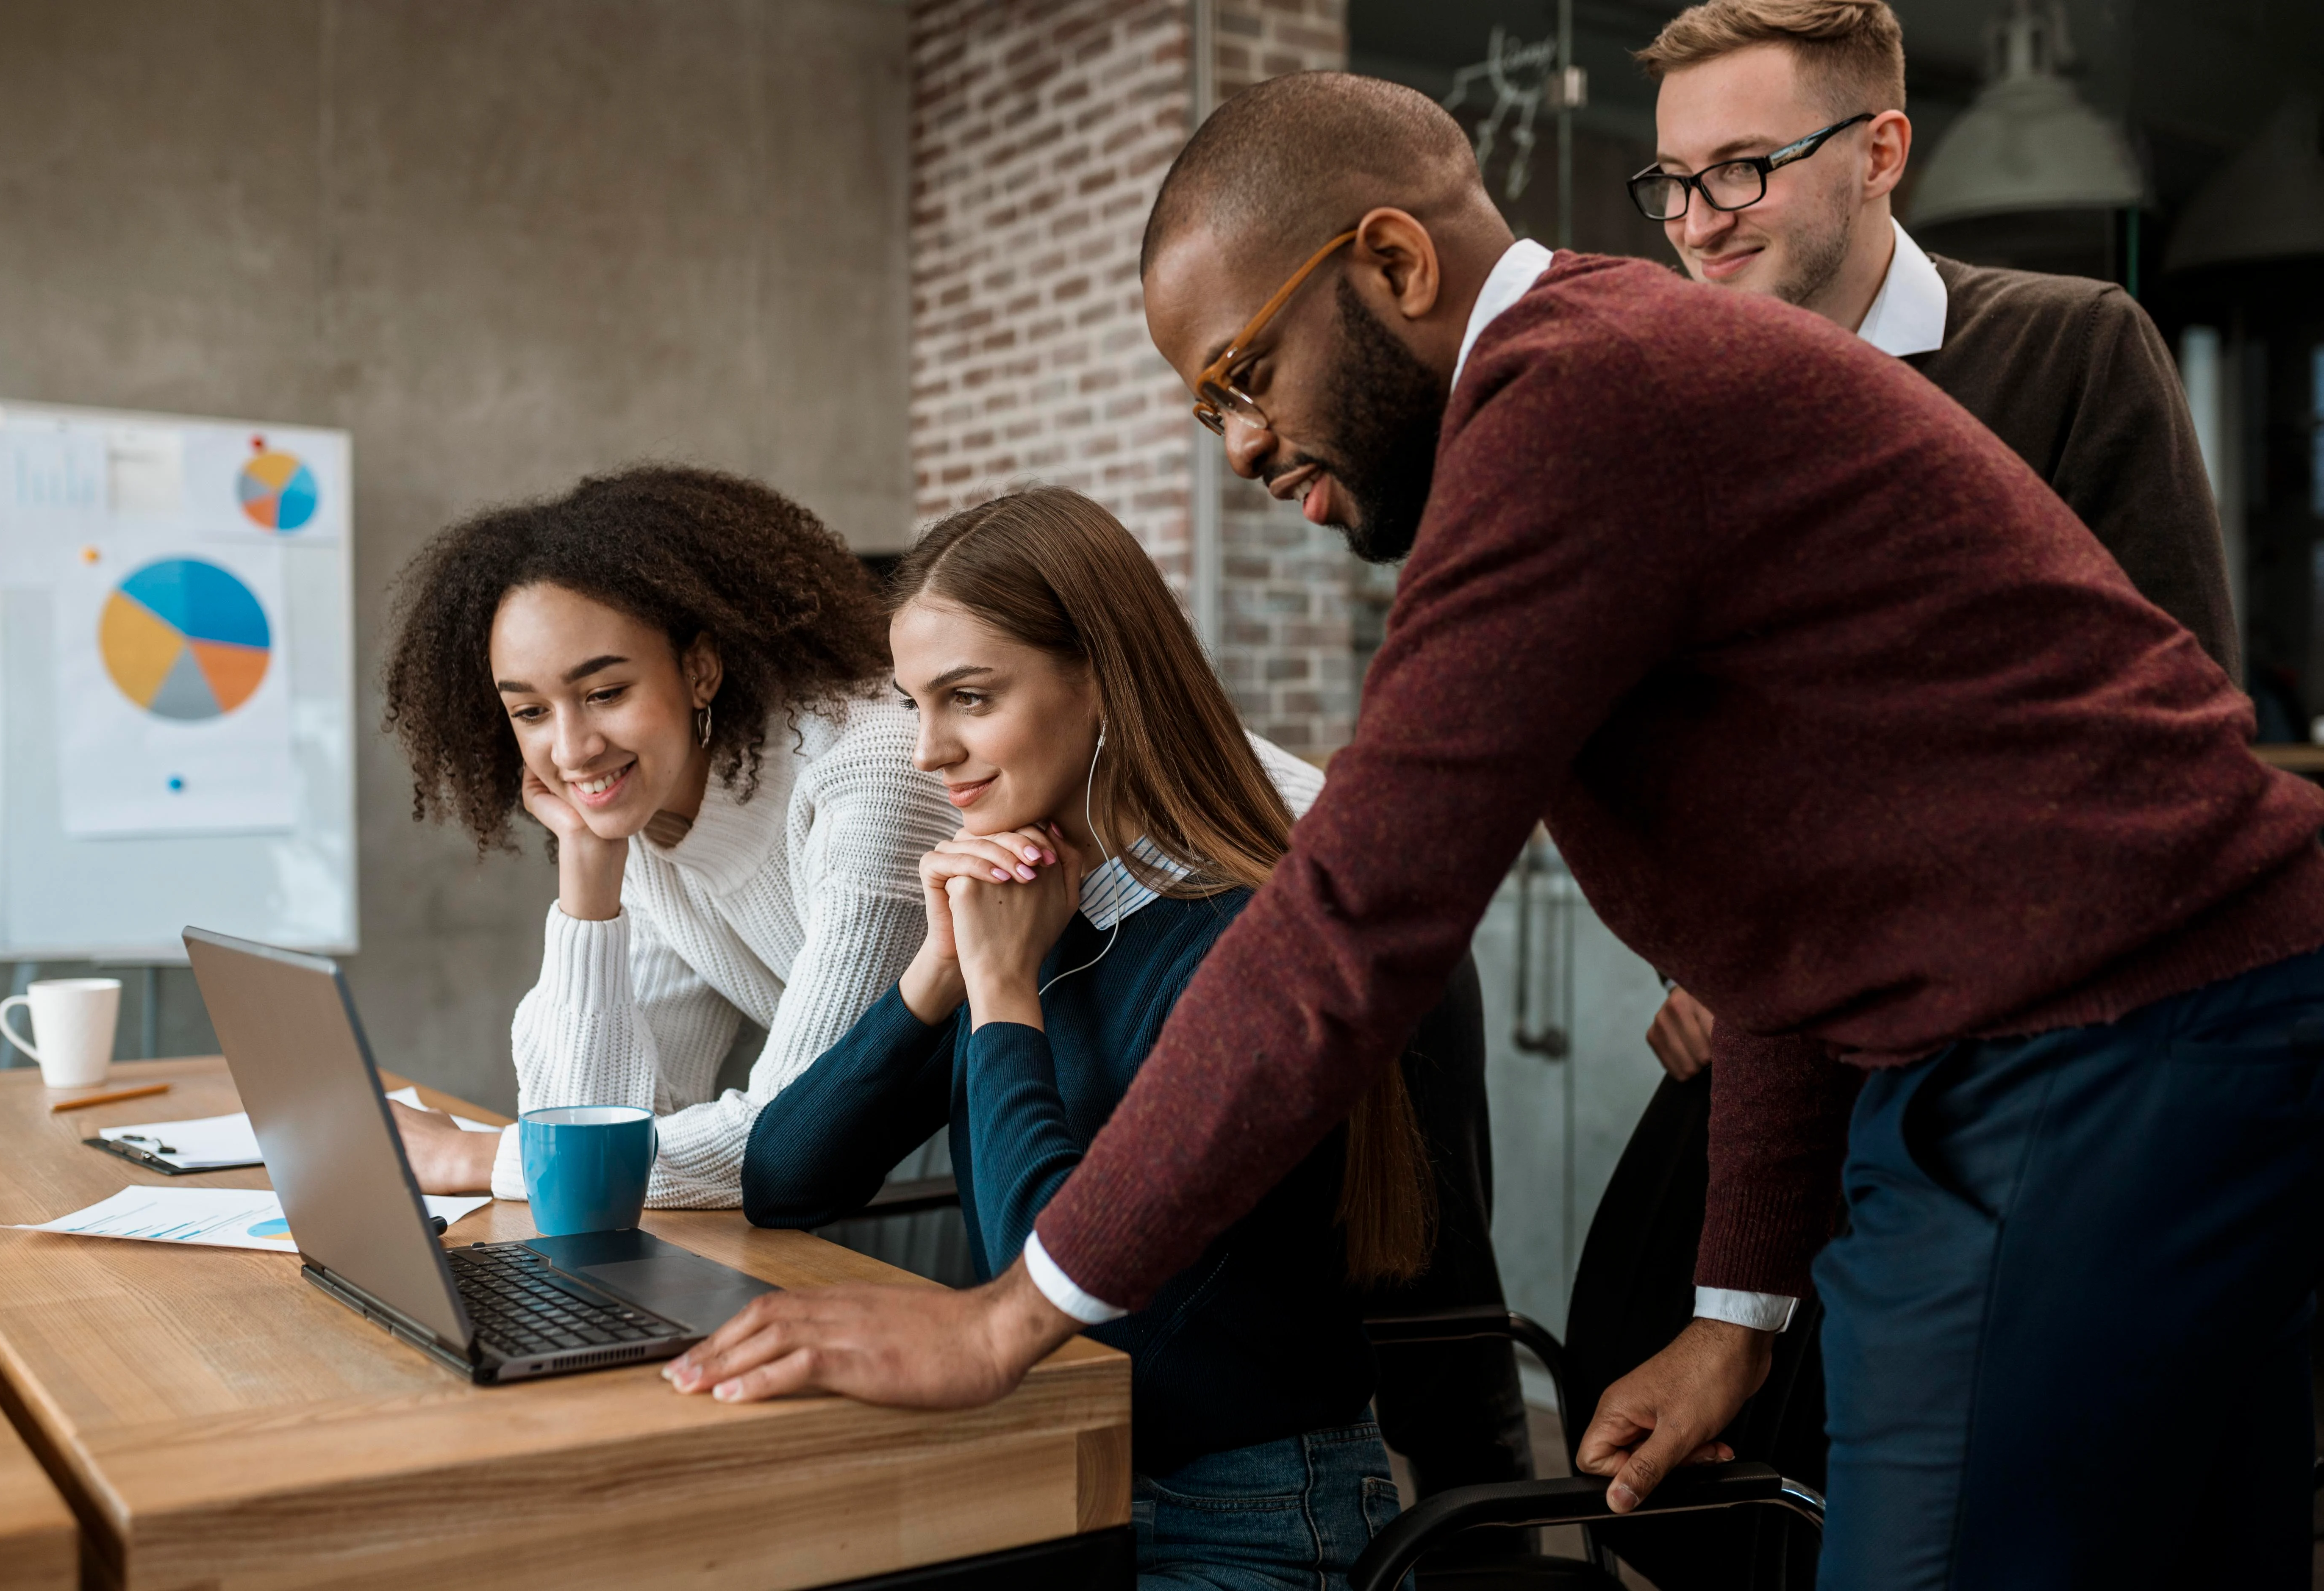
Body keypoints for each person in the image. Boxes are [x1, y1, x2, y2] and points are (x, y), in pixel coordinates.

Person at [663, 73, 2324, 1589]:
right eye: (1207, 413)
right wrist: (1735, 1319)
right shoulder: (1595, 407)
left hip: (2107, 1038)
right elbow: (1796, 937)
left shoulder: (1576, 401)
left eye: (1243, 374)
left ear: (1388, 264)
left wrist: (1010, 1319)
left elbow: (1356, 921)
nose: (1242, 446)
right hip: (2115, 1034)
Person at [714, 486, 1428, 1587]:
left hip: (1258, 1515)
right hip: (1061, 1475)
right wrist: (939, 969)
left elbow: (1035, 1282)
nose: (928, 753)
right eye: (915, 706)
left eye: (970, 698)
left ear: (1102, 677)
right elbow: (785, 1174)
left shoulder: (1247, 934)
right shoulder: (1040, 906)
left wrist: (1002, 985)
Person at [1630, 0, 2239, 1088]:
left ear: (1880, 153)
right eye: (1673, 180)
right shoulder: (1669, 425)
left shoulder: (2073, 350)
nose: (1696, 223)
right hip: (1754, 1076)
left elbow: (2179, 763)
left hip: (2024, 1068)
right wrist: (1697, 959)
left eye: (1741, 168)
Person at [376, 464, 960, 1204]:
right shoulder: (651, 821)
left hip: (1017, 1183)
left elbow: (790, 1130)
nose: (572, 748)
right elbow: (596, 1126)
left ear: (700, 670)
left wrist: (478, 1159)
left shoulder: (870, 776)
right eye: (530, 712)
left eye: (605, 693)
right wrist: (590, 876)